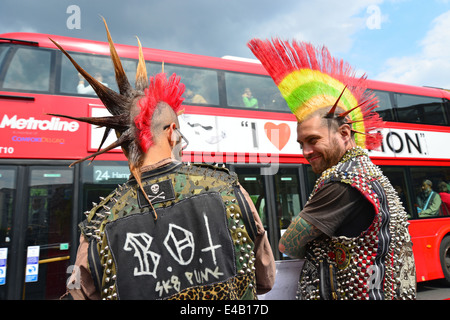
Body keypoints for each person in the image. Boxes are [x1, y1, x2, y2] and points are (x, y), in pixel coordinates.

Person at [54, 19, 275, 300]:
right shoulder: (228, 189)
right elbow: (265, 279)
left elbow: (78, 293)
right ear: (171, 132)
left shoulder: (100, 222)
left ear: (127, 141)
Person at [248, 38, 416, 300]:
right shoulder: (369, 172)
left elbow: (288, 243)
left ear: (345, 133)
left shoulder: (341, 181)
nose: (306, 152)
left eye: (313, 140)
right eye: (302, 143)